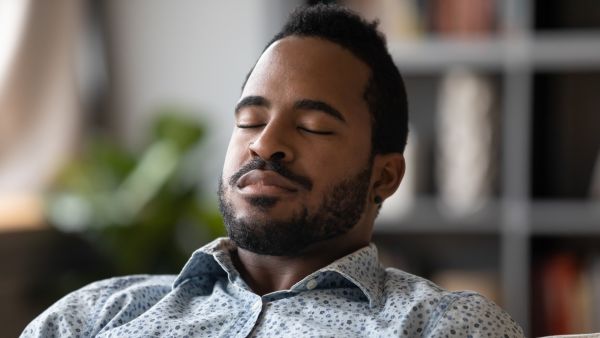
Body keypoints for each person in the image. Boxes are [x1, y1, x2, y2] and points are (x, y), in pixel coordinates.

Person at [22, 5, 525, 337]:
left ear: (385, 177)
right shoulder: (96, 314)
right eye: (251, 120)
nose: (265, 143)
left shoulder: (445, 327)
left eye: (312, 126)